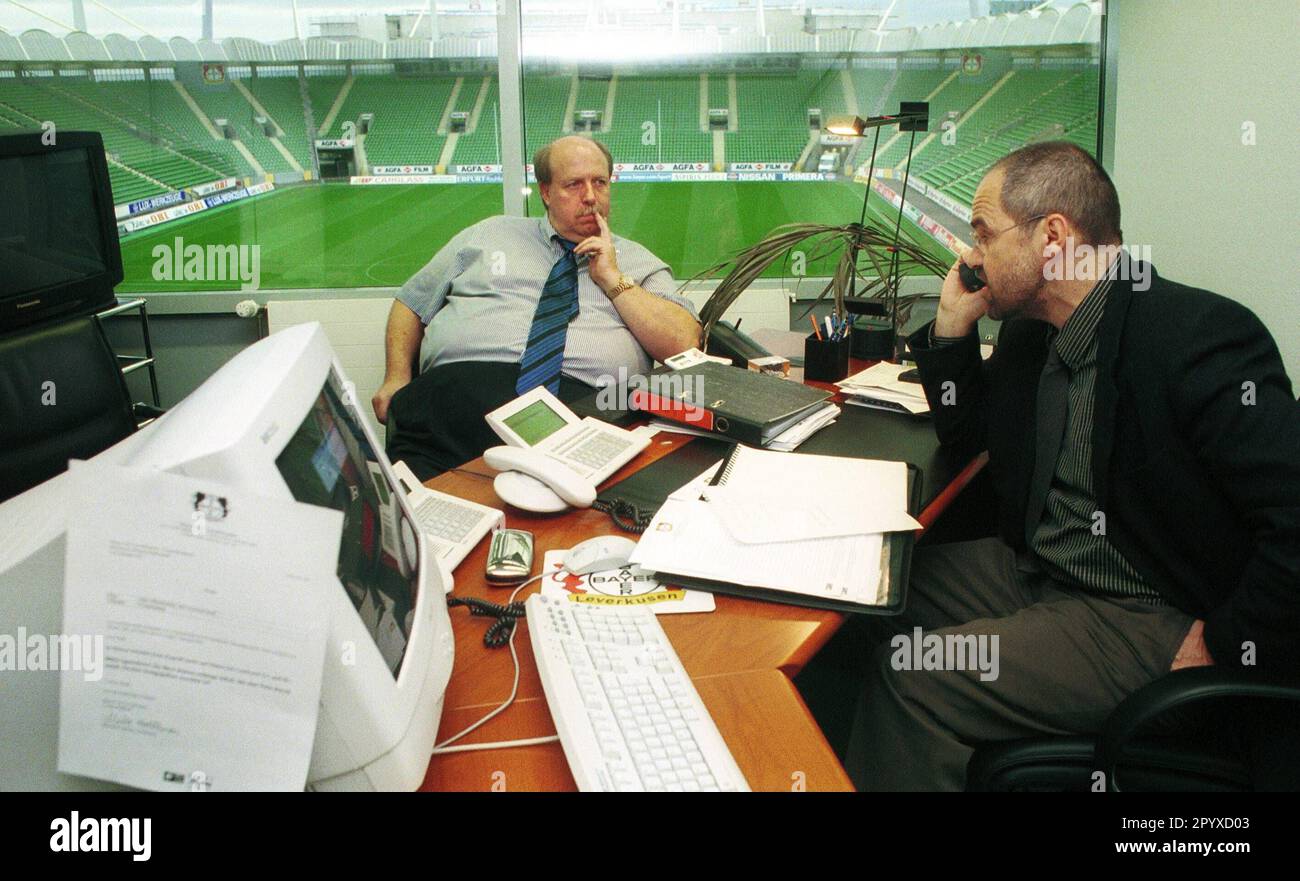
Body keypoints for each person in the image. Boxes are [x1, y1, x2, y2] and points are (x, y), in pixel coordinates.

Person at [845, 141, 1300, 791]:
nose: (971, 256)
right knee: (869, 588)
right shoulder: (1036, 331)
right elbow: (971, 435)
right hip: (1040, 570)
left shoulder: (1196, 335)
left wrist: (1224, 643)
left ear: (1052, 235)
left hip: (1141, 610)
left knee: (914, 676)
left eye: (982, 233)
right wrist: (951, 329)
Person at [374, 135, 701, 478]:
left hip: (580, 415)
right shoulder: (489, 235)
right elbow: (411, 302)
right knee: (419, 520)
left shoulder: (638, 261)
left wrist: (612, 278)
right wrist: (396, 376)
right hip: (450, 406)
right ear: (545, 192)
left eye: (600, 183)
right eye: (574, 184)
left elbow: (683, 344)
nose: (590, 197)